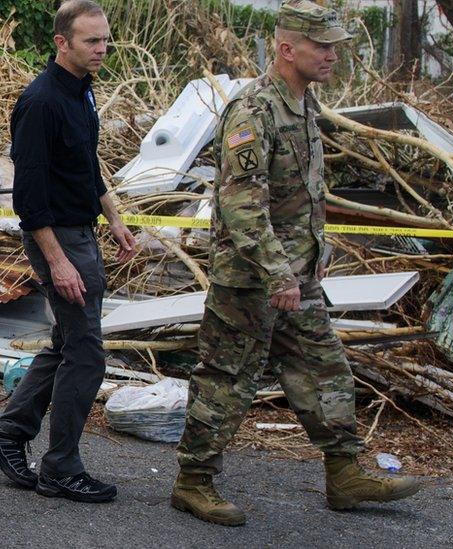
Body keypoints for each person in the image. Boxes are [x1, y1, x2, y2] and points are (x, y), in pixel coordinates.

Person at [170, 0, 421, 527]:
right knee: (227, 379)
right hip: (251, 280)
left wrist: (312, 257)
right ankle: (193, 482)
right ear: (287, 49)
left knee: (324, 368)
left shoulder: (302, 104)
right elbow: (242, 205)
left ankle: (346, 474)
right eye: (322, 46)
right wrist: (277, 272)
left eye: (334, 46)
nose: (332, 56)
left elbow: (304, 194)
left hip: (296, 278)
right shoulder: (254, 109)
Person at [0, 0, 137, 504]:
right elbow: (31, 198)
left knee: (67, 343)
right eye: (92, 41)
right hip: (58, 238)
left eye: (105, 40)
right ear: (61, 43)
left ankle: (7, 435)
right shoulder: (41, 102)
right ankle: (61, 466)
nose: (102, 50)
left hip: (81, 229)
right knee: (86, 353)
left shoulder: (82, 93)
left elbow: (85, 167)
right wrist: (59, 260)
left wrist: (113, 216)